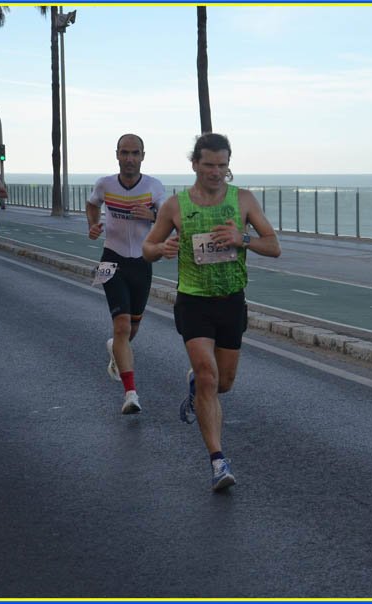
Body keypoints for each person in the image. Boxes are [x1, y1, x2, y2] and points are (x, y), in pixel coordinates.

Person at [142, 133, 281, 492]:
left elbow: (274, 245)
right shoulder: (175, 205)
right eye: (209, 165)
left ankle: (197, 384)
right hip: (194, 301)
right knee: (208, 376)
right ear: (194, 164)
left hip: (231, 300)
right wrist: (163, 248)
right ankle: (218, 461)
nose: (216, 172)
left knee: (224, 383)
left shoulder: (244, 200)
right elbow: (147, 249)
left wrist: (242, 239)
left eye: (222, 165)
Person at [86, 134, 166, 415]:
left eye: (135, 153)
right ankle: (130, 393)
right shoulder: (104, 184)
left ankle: (115, 349)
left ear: (143, 156)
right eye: (124, 153)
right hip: (110, 260)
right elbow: (92, 204)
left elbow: (168, 219)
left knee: (131, 330)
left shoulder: (154, 187)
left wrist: (153, 216)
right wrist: (93, 225)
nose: (129, 158)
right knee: (120, 326)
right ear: (116, 155)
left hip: (142, 263)